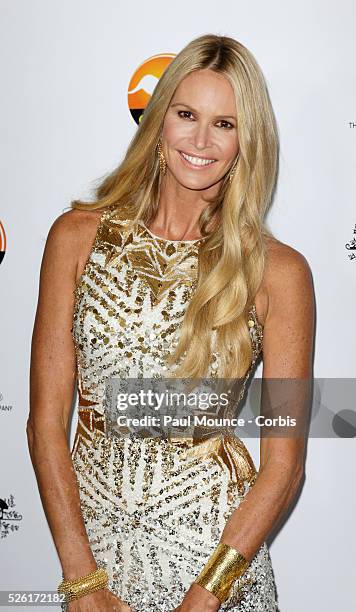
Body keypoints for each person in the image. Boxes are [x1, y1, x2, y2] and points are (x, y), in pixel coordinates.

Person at [27, 33, 315, 612]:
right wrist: (82, 581)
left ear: (246, 141)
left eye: (225, 124)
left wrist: (204, 600)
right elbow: (45, 423)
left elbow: (283, 465)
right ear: (159, 122)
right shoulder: (76, 238)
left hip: (216, 568)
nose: (201, 140)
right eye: (186, 114)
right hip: (97, 566)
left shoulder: (279, 273)